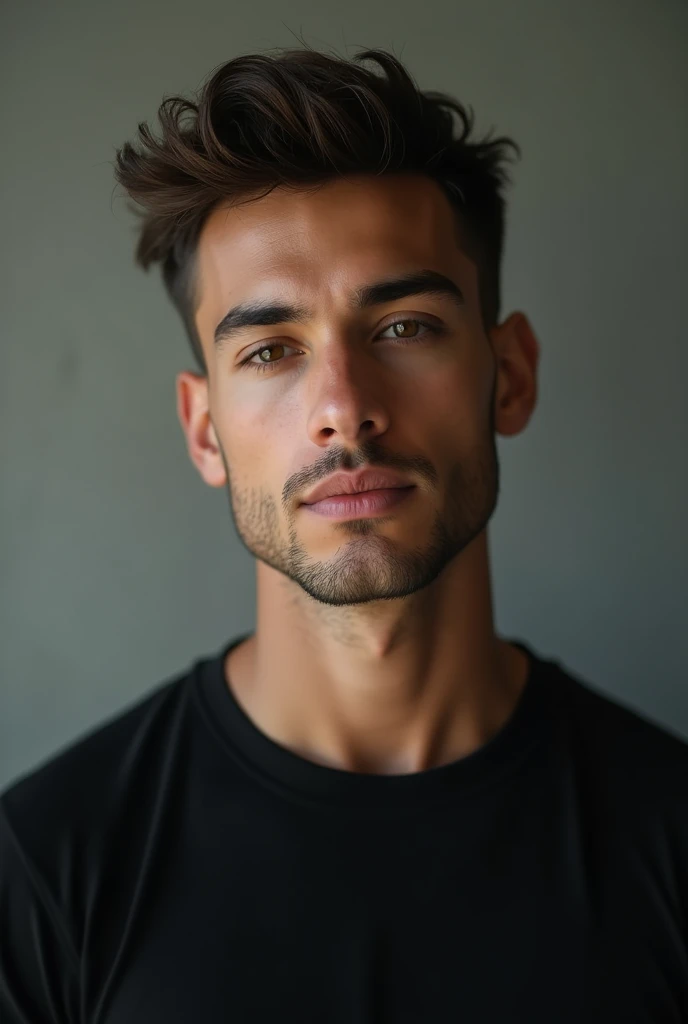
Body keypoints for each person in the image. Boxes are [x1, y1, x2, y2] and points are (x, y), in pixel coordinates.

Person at [1, 43, 686, 1024]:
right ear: (205, 430)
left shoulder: (667, 835)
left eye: (403, 326)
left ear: (512, 374)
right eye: (272, 350)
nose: (343, 409)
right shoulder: (47, 866)